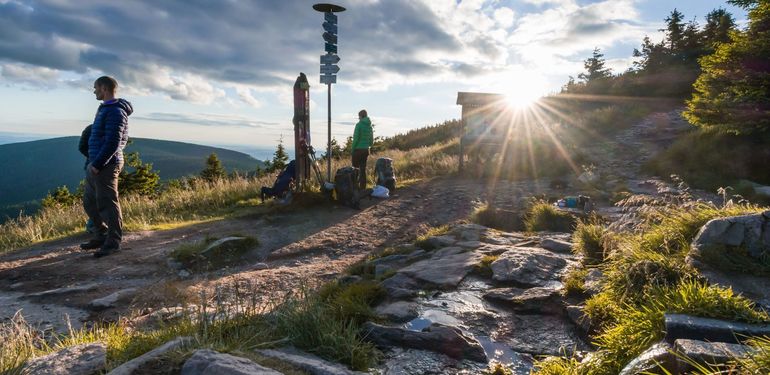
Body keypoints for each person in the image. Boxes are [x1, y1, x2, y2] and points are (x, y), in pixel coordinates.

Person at [80, 76, 132, 258]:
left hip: (106, 164)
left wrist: (99, 163)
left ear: (104, 88)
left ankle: (113, 242)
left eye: (95, 88)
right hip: (96, 163)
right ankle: (101, 234)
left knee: (108, 203)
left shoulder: (116, 112)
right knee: (89, 202)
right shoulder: (104, 109)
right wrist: (92, 162)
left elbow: (113, 142)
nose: (94, 91)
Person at [351, 109, 373, 190]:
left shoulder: (359, 125)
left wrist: (352, 149)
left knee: (355, 169)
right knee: (362, 170)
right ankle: (363, 188)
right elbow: (371, 140)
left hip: (357, 150)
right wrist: (368, 145)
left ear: (361, 116)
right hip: (365, 150)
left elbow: (356, 138)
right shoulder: (369, 126)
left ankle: (354, 187)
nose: (358, 118)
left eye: (359, 116)